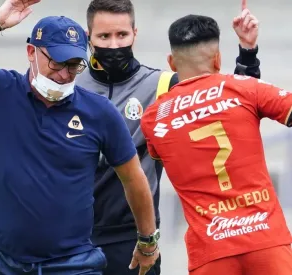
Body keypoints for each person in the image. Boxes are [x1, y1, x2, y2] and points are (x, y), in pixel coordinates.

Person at [0, 0, 160, 274]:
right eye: (57, 63)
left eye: (74, 66)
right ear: (31, 52)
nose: (63, 75)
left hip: (71, 263)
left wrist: (147, 239)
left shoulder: (99, 111)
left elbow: (133, 178)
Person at [75, 0, 262, 274]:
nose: (114, 45)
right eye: (104, 36)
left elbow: (226, 102)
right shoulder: (69, 85)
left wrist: (247, 52)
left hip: (134, 238)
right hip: (71, 237)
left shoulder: (163, 85)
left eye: (122, 35)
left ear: (134, 34)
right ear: (88, 36)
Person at [140, 14, 292, 275]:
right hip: (266, 241)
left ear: (171, 63)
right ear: (219, 59)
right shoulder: (245, 88)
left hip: (210, 252)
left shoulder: (154, 118)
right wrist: (247, 52)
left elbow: (158, 153)